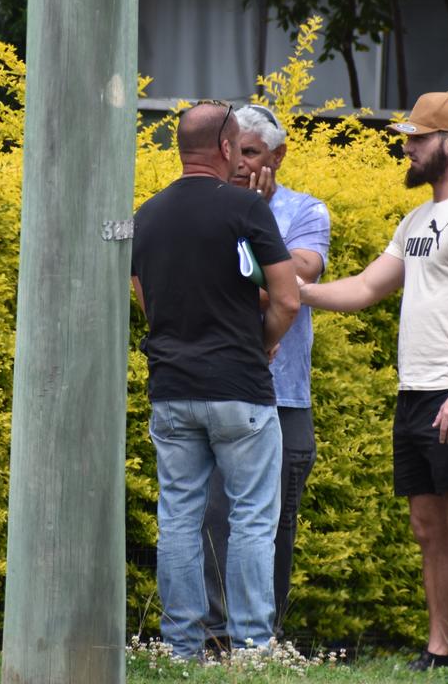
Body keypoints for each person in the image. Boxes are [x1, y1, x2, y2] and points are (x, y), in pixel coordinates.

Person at [298, 92, 448, 673]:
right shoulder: (418, 220)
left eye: (417, 138)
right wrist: (295, 293)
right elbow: (367, 289)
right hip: (415, 394)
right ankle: (440, 651)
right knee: (428, 526)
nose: (407, 147)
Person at [131, 101, 300, 659]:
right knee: (252, 519)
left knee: (179, 517)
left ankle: (182, 649)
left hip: (172, 391)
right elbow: (287, 296)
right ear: (227, 148)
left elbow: (145, 301)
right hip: (240, 390)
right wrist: (264, 339)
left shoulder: (147, 215)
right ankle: (252, 649)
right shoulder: (246, 209)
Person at [201, 104, 330, 645]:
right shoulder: (203, 204)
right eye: (232, 150)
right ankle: (211, 638)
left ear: (278, 156)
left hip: (286, 395)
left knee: (275, 526)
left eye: (251, 152)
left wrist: (251, 223)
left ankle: (262, 639)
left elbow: (299, 275)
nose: (238, 162)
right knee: (212, 522)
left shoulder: (306, 210)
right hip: (218, 390)